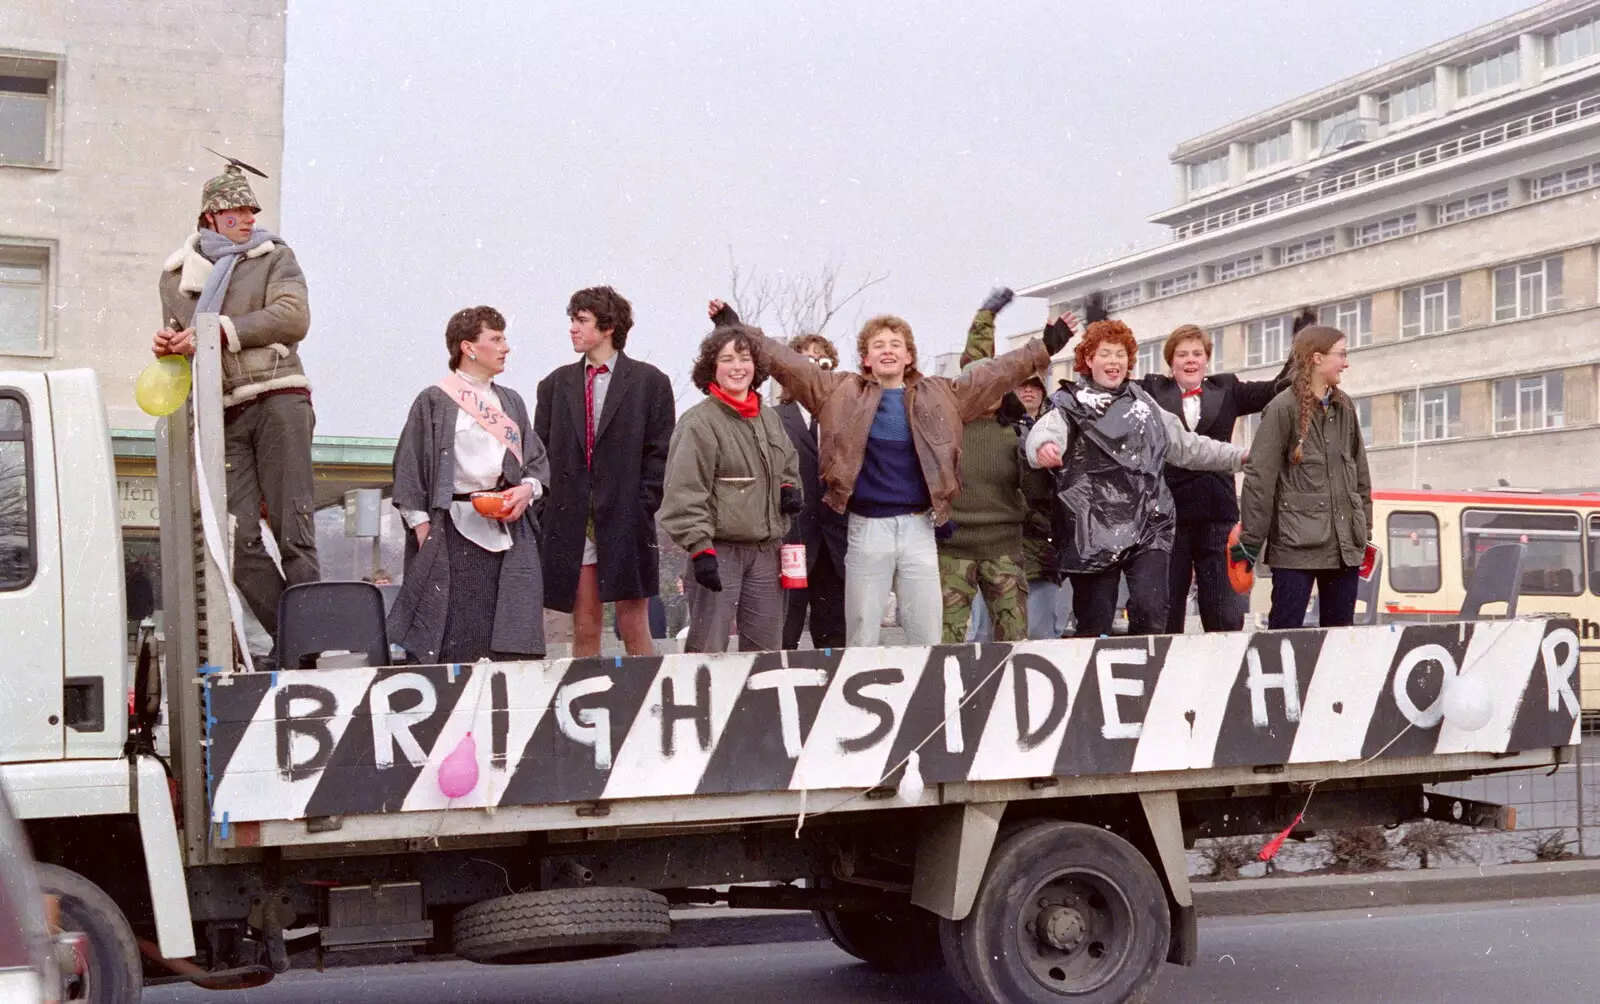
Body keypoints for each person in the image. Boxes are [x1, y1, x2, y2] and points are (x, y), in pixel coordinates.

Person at [712, 289, 1067, 647]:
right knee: (863, 631)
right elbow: (785, 362)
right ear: (865, 358)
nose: (887, 350)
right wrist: (737, 330)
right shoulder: (838, 391)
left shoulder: (941, 395)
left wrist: (1044, 347)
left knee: (927, 634)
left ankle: (926, 700)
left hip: (919, 529)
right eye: (878, 345)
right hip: (867, 530)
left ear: (909, 356)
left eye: (896, 344)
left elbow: (994, 374)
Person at [154, 153, 316, 660]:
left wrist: (215, 333)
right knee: (236, 541)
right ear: (210, 217)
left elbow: (293, 318)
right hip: (221, 413)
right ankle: (298, 639)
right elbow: (185, 345)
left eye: (251, 210)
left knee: (295, 529)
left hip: (279, 398)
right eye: (236, 212)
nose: (248, 219)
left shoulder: (276, 256)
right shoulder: (175, 278)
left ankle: (308, 648)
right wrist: (164, 345)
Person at [1025, 319, 1245, 638]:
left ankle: (1148, 678)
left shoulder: (1144, 403)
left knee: (1151, 608)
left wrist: (1239, 457)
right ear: (1088, 360)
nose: (1114, 362)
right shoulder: (1070, 402)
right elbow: (1045, 430)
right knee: (1095, 619)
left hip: (1147, 522)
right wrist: (1045, 447)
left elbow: (1187, 446)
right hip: (1092, 524)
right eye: (1105, 354)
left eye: (1120, 354)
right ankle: (1096, 677)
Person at [388, 306, 550, 664]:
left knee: (511, 639)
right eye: (496, 338)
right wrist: (424, 532)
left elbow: (536, 463)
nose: (506, 347)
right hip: (452, 533)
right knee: (454, 638)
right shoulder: (434, 399)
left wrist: (526, 490)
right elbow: (409, 471)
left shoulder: (512, 402)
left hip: (508, 529)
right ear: (468, 347)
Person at [1121, 308, 1292, 634]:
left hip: (1217, 513)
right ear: (1170, 361)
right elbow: (1112, 388)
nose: (1190, 360)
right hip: (1166, 517)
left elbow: (1277, 389)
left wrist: (1299, 350)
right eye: (1182, 354)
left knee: (1226, 615)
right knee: (1163, 616)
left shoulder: (1227, 388)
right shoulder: (1152, 391)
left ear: (1207, 359)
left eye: (1197, 353)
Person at [535, 287, 675, 658]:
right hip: (573, 522)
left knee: (634, 627)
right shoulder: (554, 385)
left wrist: (643, 503)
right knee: (585, 627)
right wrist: (550, 508)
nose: (572, 329)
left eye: (581, 320)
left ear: (609, 326)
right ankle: (584, 709)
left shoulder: (650, 382)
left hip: (628, 518)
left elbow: (660, 452)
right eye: (572, 320)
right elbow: (542, 455)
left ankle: (647, 707)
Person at [659, 324, 801, 653]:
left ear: (756, 367)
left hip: (766, 552)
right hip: (718, 552)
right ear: (712, 368)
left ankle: (760, 706)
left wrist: (789, 486)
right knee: (709, 649)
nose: (737, 367)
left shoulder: (769, 419)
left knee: (766, 651)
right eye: (726, 359)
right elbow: (683, 493)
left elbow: (789, 462)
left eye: (744, 358)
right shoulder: (699, 423)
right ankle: (706, 706)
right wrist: (700, 547)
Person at [1236, 324, 1371, 629]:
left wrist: (1363, 532)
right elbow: (1260, 478)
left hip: (1343, 548)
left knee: (1339, 640)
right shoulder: (1282, 408)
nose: (1346, 363)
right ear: (1317, 358)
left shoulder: (1344, 406)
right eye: (1341, 354)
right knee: (1284, 637)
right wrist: (1250, 543)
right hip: (1294, 550)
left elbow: (1360, 472)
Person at [937, 289, 1054, 643]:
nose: (988, 392)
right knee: (946, 640)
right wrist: (985, 315)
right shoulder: (946, 431)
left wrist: (1038, 465)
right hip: (953, 546)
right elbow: (976, 357)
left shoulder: (1017, 432)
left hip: (1003, 546)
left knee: (1013, 640)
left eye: (997, 385)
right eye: (979, 386)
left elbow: (1037, 495)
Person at [774, 333, 848, 650]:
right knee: (783, 632)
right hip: (791, 539)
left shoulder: (845, 416)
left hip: (835, 541)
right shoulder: (773, 419)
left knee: (833, 634)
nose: (813, 367)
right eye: (805, 360)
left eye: (821, 361)